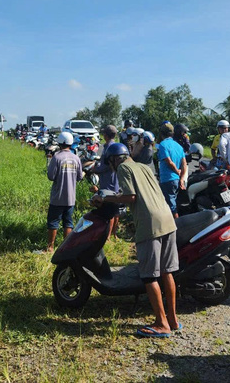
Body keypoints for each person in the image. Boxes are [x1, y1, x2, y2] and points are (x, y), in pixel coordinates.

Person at [91, 143, 179, 338]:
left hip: (149, 223)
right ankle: (172, 320)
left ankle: (161, 324)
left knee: (149, 276)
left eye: (110, 162)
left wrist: (104, 199)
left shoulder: (123, 168)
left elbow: (130, 196)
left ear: (114, 159)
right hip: (167, 219)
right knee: (167, 272)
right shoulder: (143, 166)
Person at [44, 132, 82, 253]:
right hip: (70, 198)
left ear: (60, 143)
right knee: (68, 223)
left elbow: (51, 176)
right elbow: (79, 177)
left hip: (57, 197)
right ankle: (66, 247)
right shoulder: (76, 158)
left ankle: (50, 247)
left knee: (53, 222)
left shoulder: (57, 157)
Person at [91, 125, 121, 239]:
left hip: (108, 182)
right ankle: (113, 234)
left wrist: (95, 169)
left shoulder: (108, 148)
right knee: (115, 210)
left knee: (109, 211)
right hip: (115, 182)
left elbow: (105, 166)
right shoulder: (116, 146)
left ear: (106, 135)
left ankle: (107, 236)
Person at [156, 123, 187, 218]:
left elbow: (168, 161)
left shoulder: (162, 145)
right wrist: (181, 179)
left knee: (170, 207)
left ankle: (177, 228)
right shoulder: (178, 146)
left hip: (167, 179)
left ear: (162, 134)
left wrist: (176, 171)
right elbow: (184, 164)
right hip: (177, 180)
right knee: (173, 203)